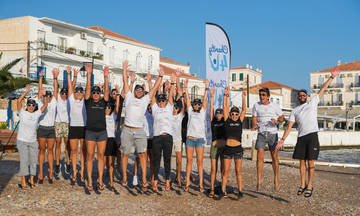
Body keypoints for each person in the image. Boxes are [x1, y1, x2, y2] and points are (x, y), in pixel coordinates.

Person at [277, 68, 340, 198]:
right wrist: (282, 139)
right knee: (301, 163)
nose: (301, 97)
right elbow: (289, 126)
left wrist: (331, 77)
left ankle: (310, 185)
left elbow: (323, 89)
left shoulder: (312, 103)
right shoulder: (295, 110)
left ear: (307, 96)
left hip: (312, 136)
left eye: (303, 95)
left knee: (311, 162)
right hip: (301, 137)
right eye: (299, 96)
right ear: (298, 97)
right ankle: (302, 184)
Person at [120, 60, 162, 191]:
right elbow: (125, 83)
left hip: (139, 131)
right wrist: (124, 69)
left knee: (143, 154)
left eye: (141, 90)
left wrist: (160, 77)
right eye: (137, 89)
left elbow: (154, 88)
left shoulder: (145, 99)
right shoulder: (129, 96)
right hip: (127, 129)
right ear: (135, 91)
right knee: (125, 154)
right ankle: (125, 178)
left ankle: (144, 179)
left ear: (143, 92)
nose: (138, 91)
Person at [252, 87, 284, 191]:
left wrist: (277, 121)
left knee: (274, 157)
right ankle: (259, 179)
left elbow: (282, 118)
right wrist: (254, 125)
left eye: (263, 95)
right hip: (261, 133)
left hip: (272, 134)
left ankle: (276, 179)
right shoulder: (256, 105)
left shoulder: (275, 106)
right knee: (259, 157)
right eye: (260, 95)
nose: (261, 97)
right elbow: (254, 117)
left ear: (268, 97)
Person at [84, 63, 110, 192]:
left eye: (97, 92)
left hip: (101, 132)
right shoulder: (88, 101)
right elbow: (87, 88)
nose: (95, 94)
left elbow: (106, 91)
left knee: (100, 156)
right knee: (89, 156)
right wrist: (89, 75)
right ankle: (89, 180)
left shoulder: (103, 101)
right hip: (90, 132)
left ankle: (99, 179)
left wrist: (106, 77)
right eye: (94, 92)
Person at [16, 85, 48, 189]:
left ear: (34, 107)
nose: (30, 106)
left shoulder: (36, 114)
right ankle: (23, 181)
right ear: (27, 106)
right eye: (29, 104)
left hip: (33, 141)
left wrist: (44, 96)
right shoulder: (22, 113)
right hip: (22, 140)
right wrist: (26, 92)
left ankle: (31, 179)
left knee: (34, 161)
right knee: (24, 161)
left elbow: (45, 106)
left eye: (32, 105)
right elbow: (18, 101)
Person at [151, 72, 176, 192]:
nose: (161, 103)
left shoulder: (169, 107)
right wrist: (158, 80)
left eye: (163, 101)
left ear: (166, 102)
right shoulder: (155, 108)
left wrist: (172, 81)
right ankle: (155, 182)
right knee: (156, 160)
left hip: (167, 138)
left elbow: (171, 94)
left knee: (167, 160)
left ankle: (167, 181)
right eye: (159, 101)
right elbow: (152, 94)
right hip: (157, 137)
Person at [183, 78, 209, 193]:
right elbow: (187, 99)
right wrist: (186, 86)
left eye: (198, 104)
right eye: (195, 104)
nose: (197, 106)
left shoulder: (203, 112)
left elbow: (205, 100)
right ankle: (187, 183)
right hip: (190, 139)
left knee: (199, 162)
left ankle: (200, 184)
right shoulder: (190, 111)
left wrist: (206, 87)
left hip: (199, 140)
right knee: (189, 161)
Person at [221, 87, 246, 199]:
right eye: (233, 114)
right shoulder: (227, 120)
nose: (235, 115)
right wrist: (226, 95)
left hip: (237, 150)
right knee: (225, 171)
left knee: (238, 171)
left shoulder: (240, 121)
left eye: (236, 114)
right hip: (227, 149)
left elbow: (244, 110)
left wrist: (243, 98)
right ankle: (223, 190)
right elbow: (225, 107)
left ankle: (240, 191)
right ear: (230, 115)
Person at [66, 66, 87, 184]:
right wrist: (69, 74)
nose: (78, 93)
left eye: (80, 91)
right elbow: (70, 87)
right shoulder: (72, 100)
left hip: (83, 128)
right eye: (77, 91)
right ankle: (74, 172)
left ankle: (82, 171)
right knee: (74, 151)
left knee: (83, 152)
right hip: (73, 127)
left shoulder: (85, 101)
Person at [37, 69, 58, 184]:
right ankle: (40, 171)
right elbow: (40, 91)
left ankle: (50, 171)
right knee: (41, 150)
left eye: (49, 96)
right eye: (46, 96)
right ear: (44, 97)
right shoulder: (40, 102)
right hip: (42, 128)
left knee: (50, 150)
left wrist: (55, 77)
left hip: (51, 129)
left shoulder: (54, 102)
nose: (48, 98)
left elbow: (56, 90)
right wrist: (40, 78)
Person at [208, 87, 226, 198]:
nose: (218, 115)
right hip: (214, 146)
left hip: (223, 147)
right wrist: (212, 96)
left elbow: (225, 107)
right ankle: (212, 189)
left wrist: (225, 95)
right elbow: (210, 107)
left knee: (223, 168)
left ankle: (223, 188)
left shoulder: (225, 120)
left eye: (220, 114)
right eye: (217, 113)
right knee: (213, 169)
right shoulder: (213, 121)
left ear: (223, 115)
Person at [54, 70, 71, 176]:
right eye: (62, 93)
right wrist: (55, 77)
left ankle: (68, 163)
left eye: (65, 93)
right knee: (58, 144)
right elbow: (55, 88)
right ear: (60, 94)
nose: (64, 95)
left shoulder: (69, 100)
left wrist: (71, 75)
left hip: (67, 124)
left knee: (67, 144)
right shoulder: (57, 100)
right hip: (58, 123)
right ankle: (57, 163)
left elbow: (72, 86)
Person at [104, 89, 120, 190]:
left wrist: (118, 95)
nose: (108, 108)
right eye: (107, 107)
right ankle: (102, 178)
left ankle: (111, 181)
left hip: (112, 139)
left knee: (111, 161)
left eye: (110, 107)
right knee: (105, 159)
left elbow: (117, 108)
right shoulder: (102, 116)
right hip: (104, 139)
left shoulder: (114, 115)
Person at [172, 72, 185, 187]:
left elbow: (183, 105)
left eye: (176, 108)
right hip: (169, 138)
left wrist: (178, 79)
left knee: (179, 160)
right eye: (173, 107)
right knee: (168, 159)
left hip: (178, 139)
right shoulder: (168, 113)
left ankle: (179, 177)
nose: (174, 109)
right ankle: (170, 177)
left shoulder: (180, 115)